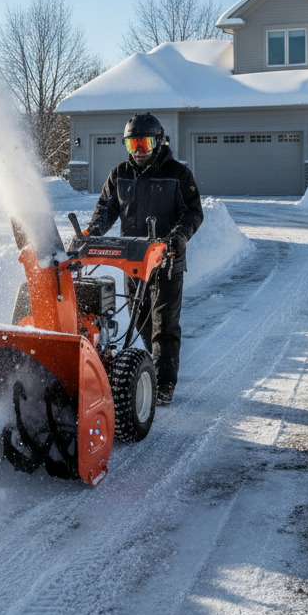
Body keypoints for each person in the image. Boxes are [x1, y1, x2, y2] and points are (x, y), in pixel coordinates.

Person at [86, 113, 203, 406]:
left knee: (164, 324)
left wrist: (177, 237)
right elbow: (106, 209)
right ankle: (150, 367)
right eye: (133, 144)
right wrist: (93, 232)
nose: (139, 151)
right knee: (140, 320)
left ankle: (164, 384)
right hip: (134, 258)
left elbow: (193, 212)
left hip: (166, 260)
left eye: (145, 143)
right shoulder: (119, 174)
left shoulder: (178, 174)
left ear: (159, 142)